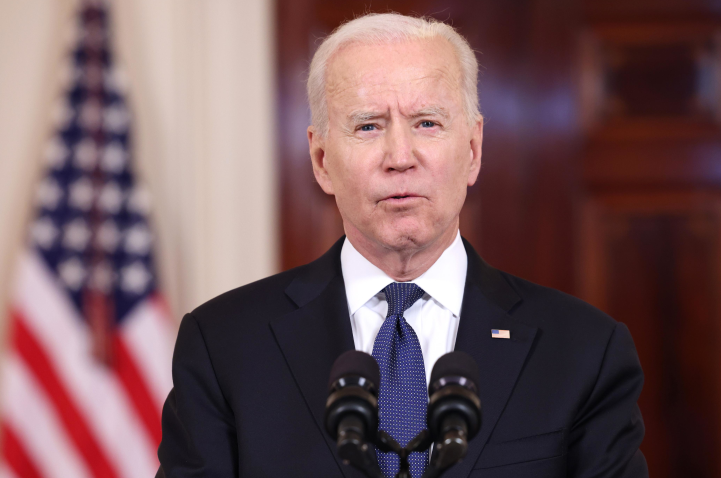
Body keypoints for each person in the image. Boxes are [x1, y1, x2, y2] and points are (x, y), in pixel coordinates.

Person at [157, 13, 648, 478]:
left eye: (427, 123)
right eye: (368, 125)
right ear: (322, 159)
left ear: (473, 150)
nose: (400, 157)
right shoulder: (224, 346)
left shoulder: (584, 351)